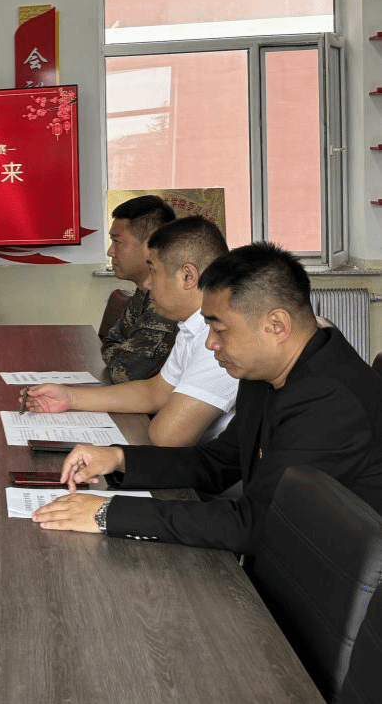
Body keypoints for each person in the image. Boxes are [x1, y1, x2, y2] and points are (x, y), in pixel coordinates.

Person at [32, 242, 382, 556]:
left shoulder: (329, 402)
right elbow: (219, 462)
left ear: (276, 325)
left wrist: (108, 513)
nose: (211, 343)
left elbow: (256, 525)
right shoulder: (267, 371)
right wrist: (119, 459)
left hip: (325, 587)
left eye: (220, 329)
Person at [25, 216, 235, 446]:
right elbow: (153, 393)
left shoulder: (218, 339)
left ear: (188, 276)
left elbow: (168, 436)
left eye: (153, 271)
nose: (146, 284)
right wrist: (69, 397)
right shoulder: (192, 328)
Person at [100, 195, 178, 383]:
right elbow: (110, 341)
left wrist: (119, 353)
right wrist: (120, 352)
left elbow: (125, 372)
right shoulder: (144, 291)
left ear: (151, 245)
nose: (110, 252)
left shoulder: (169, 301)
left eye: (117, 242)